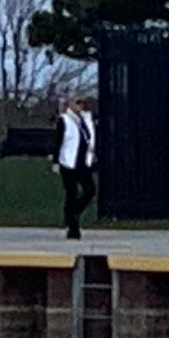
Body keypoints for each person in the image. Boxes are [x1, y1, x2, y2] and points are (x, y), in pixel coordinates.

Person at [54, 97, 99, 239]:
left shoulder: (86, 119)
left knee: (90, 190)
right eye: (76, 103)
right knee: (71, 193)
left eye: (81, 103)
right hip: (68, 161)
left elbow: (90, 139)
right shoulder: (65, 120)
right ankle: (73, 228)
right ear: (70, 104)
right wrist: (56, 161)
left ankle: (72, 214)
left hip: (83, 162)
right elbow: (58, 141)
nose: (80, 106)